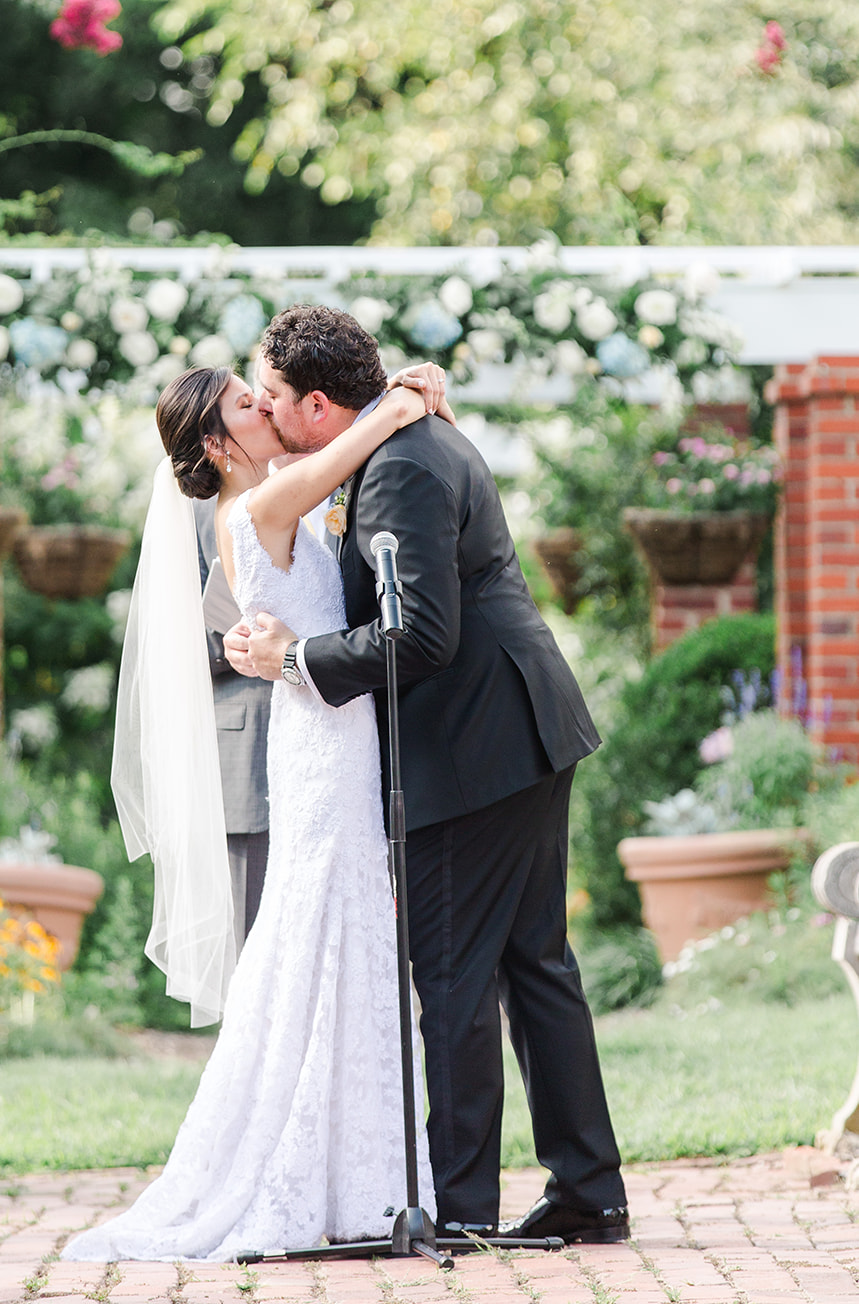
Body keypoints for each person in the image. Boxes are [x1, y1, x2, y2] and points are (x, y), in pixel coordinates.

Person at [225, 304, 629, 1247]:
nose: (269, 413)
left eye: (275, 398)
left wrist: (297, 657)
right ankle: (589, 1191)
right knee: (535, 966)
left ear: (318, 406)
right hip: (522, 728)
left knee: (452, 974)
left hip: (475, 747)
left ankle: (460, 1208)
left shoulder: (399, 466)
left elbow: (420, 636)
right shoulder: (407, 438)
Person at [63, 359, 449, 1264]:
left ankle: (359, 1177)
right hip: (318, 749)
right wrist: (396, 396)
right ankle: (296, 1165)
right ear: (216, 443)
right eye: (248, 402)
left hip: (332, 736)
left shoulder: (276, 498)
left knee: (348, 937)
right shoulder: (252, 511)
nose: (267, 406)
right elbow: (354, 442)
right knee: (316, 936)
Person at [192, 497, 270, 949]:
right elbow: (171, 634)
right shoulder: (199, 507)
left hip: (338, 739)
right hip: (249, 750)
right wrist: (237, 640)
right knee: (252, 945)